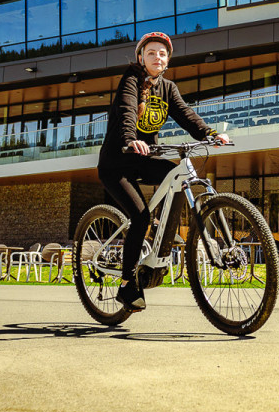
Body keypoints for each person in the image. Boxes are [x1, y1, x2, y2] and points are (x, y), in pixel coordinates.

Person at [97, 31, 229, 311]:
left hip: (144, 159)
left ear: (168, 60)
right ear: (141, 58)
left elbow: (185, 114)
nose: (157, 57)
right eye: (151, 53)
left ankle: (161, 228)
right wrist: (130, 139)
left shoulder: (168, 88)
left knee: (177, 176)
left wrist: (210, 134)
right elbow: (126, 110)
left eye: (162, 53)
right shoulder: (131, 80)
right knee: (139, 216)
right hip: (117, 162)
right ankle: (127, 284)